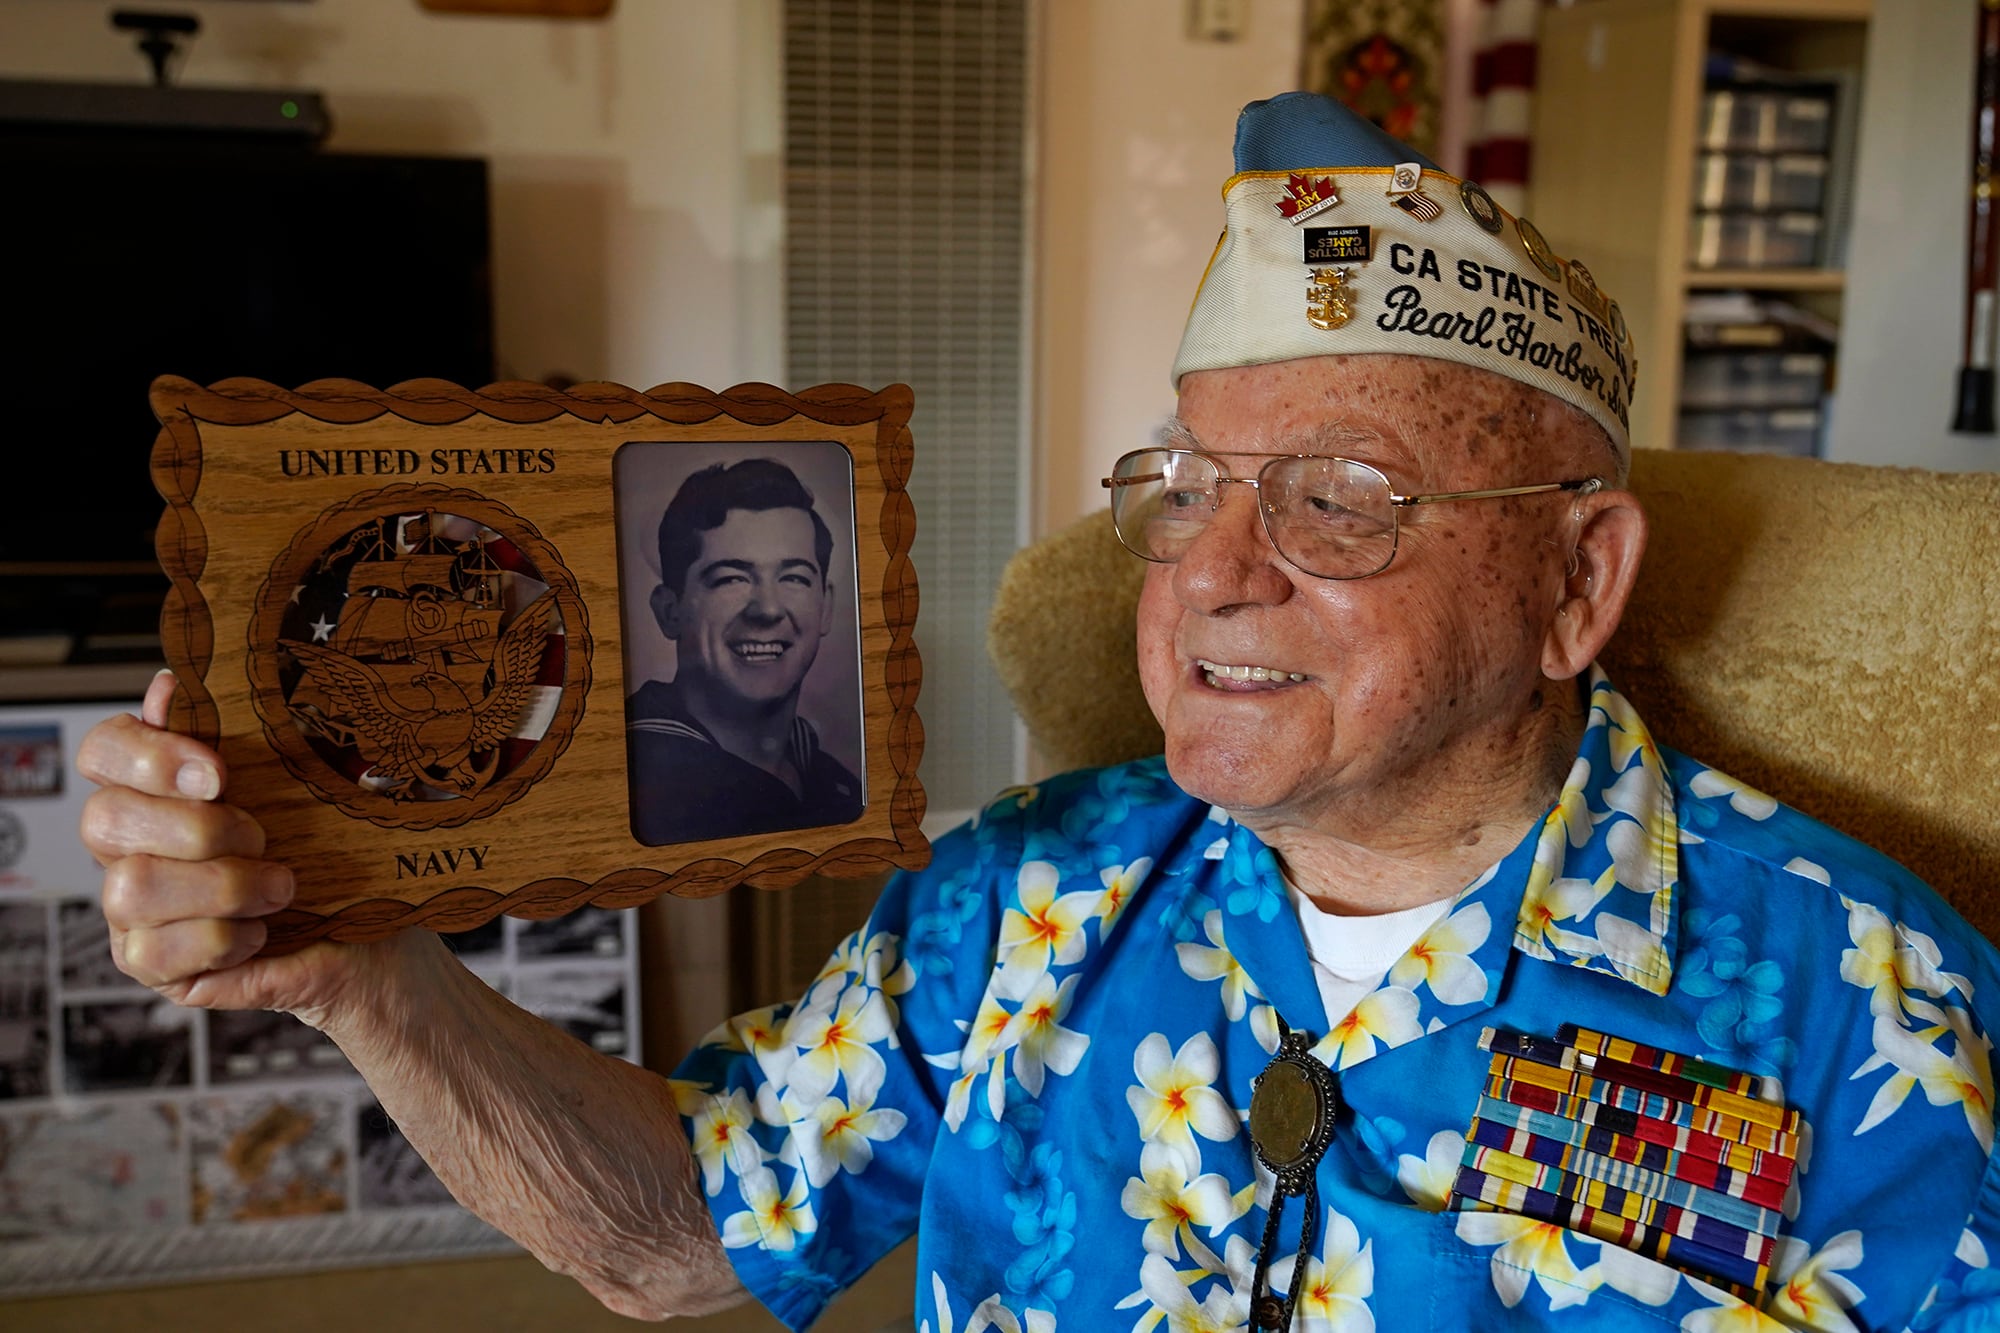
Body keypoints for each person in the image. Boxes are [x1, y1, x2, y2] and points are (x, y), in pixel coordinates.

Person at [76, 92, 2000, 1331]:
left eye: (1341, 499)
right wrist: (361, 978)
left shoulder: (1864, 1001)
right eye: (1184, 485)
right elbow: (676, 1234)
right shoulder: (1026, 896)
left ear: (1579, 580)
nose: (1214, 571)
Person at [624, 457, 863, 845]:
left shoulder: (840, 789)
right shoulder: (640, 785)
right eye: (731, 578)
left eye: (794, 578)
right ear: (670, 611)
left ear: (826, 608)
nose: (767, 609)